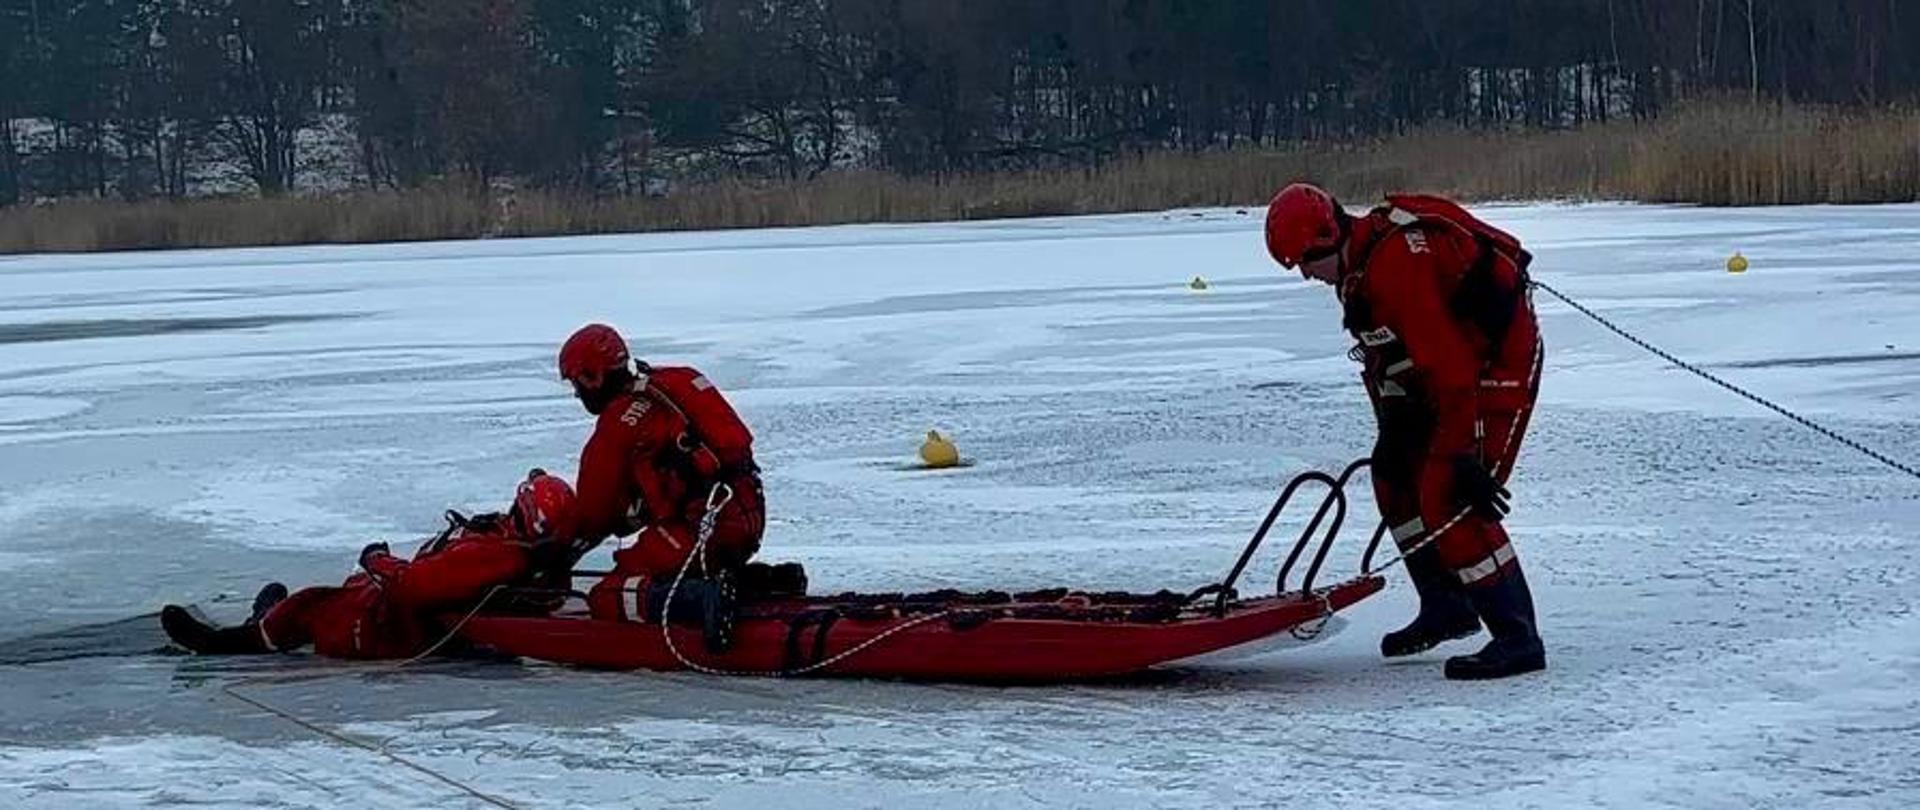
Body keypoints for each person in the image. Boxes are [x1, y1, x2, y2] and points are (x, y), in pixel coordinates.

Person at [1263, 182, 1546, 680]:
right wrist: (1394, 422)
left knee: (1447, 495)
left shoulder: (1396, 267)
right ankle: (1447, 605)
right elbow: (1389, 354)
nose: (1305, 274)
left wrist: (1462, 456)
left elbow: (1454, 370)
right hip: (1441, 374)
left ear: (1330, 237)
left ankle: (1517, 637)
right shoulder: (1356, 270)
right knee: (1393, 477)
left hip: (1494, 365)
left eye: (1306, 261)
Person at [160, 471, 576, 660]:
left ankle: (238, 638)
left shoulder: (493, 555)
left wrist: (376, 558)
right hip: (417, 618)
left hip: (387, 626)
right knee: (343, 590)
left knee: (310, 607)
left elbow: (416, 585)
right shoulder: (531, 562)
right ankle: (266, 616)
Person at [552, 323, 765, 652]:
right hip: (748, 514)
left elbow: (594, 514)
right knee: (677, 558)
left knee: (609, 595)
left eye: (577, 383)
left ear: (592, 377)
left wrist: (553, 550)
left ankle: (700, 599)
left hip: (702, 530)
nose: (578, 394)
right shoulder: (680, 379)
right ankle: (767, 583)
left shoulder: (616, 428)